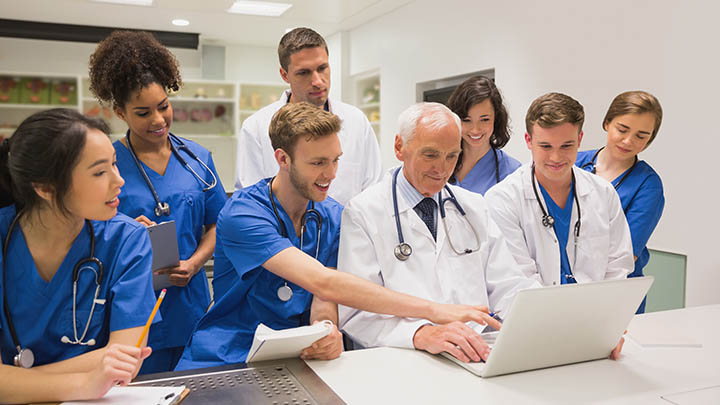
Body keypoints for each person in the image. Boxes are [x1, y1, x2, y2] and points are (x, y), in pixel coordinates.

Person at [177, 102, 496, 370]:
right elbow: (325, 281)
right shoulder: (244, 214)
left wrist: (326, 329)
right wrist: (434, 311)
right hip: (227, 356)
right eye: (318, 162)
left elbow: (325, 299)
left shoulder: (330, 214)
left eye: (335, 160)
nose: (331, 174)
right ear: (283, 159)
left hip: (297, 358)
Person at [338, 102, 538, 363]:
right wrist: (420, 333)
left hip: (472, 353)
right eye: (430, 155)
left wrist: (542, 322)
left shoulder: (474, 207)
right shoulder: (363, 212)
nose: (442, 169)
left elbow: (509, 286)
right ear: (400, 147)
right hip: (401, 358)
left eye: (452, 156)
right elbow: (355, 311)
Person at [88, 30, 227, 373]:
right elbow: (86, 231)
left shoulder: (197, 159)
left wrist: (195, 262)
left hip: (190, 303)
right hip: (131, 307)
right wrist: (125, 230)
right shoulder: (108, 163)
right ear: (120, 112)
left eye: (163, 106)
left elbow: (218, 224)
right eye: (143, 112)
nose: (158, 120)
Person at [0, 109, 157, 403]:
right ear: (46, 187)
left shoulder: (127, 240)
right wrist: (85, 381)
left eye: (114, 164)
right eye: (99, 172)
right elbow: (108, 365)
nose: (119, 180)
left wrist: (13, 379)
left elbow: (126, 362)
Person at [484, 93, 633, 358]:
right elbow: (514, 281)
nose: (556, 157)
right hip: (530, 332)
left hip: (594, 332)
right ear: (529, 141)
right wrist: (567, 328)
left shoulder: (603, 193)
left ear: (580, 140)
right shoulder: (502, 199)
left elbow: (617, 266)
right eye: (545, 146)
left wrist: (607, 326)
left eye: (566, 146)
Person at [235, 27, 381, 205]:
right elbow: (250, 199)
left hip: (348, 230)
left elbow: (373, 189)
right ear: (284, 74)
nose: (318, 81)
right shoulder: (256, 127)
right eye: (304, 73)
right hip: (279, 231)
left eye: (322, 68)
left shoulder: (356, 121)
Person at [576, 91, 664, 313]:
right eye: (622, 129)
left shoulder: (647, 184)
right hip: (564, 287)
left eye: (641, 136)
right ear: (607, 122)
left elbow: (625, 255)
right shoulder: (574, 162)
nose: (628, 141)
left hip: (616, 295)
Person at [447, 76, 521, 195]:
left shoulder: (512, 173)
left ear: (496, 119)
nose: (475, 130)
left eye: (485, 119)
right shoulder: (442, 164)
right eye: (466, 120)